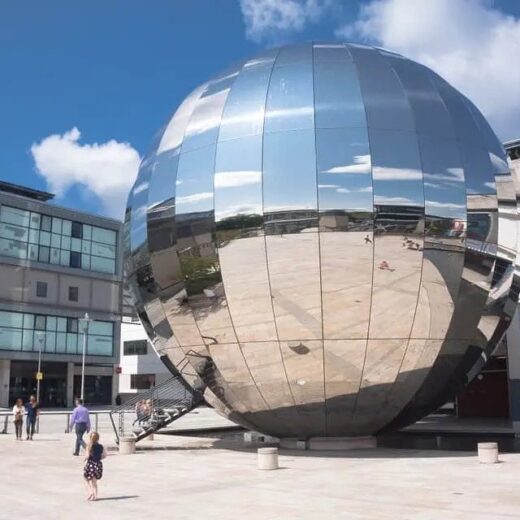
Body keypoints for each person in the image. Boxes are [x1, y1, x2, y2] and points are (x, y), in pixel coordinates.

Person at [83, 431, 107, 501]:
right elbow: (105, 455)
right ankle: (95, 496)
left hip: (90, 464)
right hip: (98, 465)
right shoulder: (101, 446)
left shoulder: (89, 446)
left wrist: (84, 459)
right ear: (98, 438)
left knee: (86, 479)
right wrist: (99, 458)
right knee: (94, 482)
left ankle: (90, 492)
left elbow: (87, 456)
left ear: (90, 438)